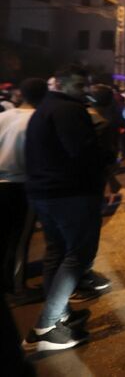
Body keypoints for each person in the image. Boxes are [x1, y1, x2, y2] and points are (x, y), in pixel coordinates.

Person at [23, 65, 113, 351]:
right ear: (61, 84)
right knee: (78, 256)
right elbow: (84, 153)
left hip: (45, 194)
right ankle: (47, 325)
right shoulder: (69, 111)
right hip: (70, 195)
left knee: (57, 253)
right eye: (80, 85)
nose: (86, 90)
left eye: (87, 85)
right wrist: (108, 155)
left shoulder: (46, 107)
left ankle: (59, 312)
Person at [0, 79, 46, 303]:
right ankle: (18, 289)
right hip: (20, 184)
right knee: (19, 239)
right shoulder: (38, 119)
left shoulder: (4, 116)